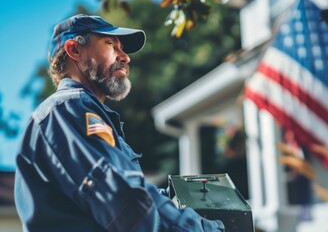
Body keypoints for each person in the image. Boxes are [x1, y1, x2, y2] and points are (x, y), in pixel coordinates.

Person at [14, 14, 225, 232]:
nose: (125, 57)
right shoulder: (67, 109)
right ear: (74, 50)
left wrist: (178, 198)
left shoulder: (76, 114)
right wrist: (204, 229)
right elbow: (126, 199)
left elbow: (128, 193)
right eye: (111, 45)